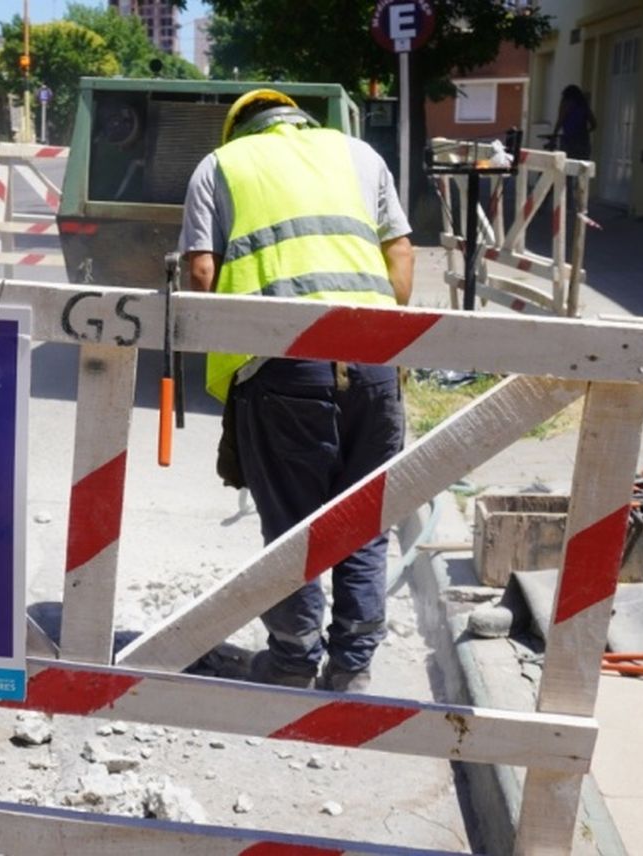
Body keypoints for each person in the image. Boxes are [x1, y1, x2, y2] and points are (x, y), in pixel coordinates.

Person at [178, 89, 414, 693]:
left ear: (241, 131)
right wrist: (377, 336)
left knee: (292, 523)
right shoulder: (361, 156)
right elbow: (401, 256)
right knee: (363, 522)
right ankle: (352, 668)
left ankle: (290, 660)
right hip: (374, 362)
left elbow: (201, 272)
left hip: (283, 367)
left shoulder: (220, 166)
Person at [551, 85, 596, 160]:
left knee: (568, 166)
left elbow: (560, 120)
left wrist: (554, 136)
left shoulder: (566, 103)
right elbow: (594, 124)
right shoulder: (583, 105)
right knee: (582, 167)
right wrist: (585, 132)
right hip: (583, 142)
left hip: (569, 141)